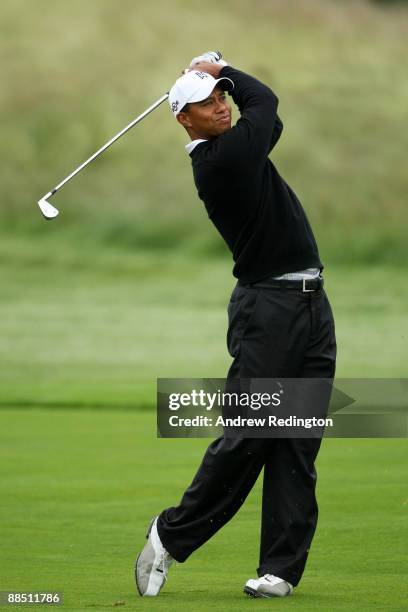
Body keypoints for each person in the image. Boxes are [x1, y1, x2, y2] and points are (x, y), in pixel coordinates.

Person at [135, 52, 336, 599]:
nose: (219, 106)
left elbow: (266, 118)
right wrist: (221, 65)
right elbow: (265, 103)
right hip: (267, 310)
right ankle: (169, 536)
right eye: (206, 102)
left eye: (221, 97)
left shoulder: (240, 147)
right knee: (250, 434)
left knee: (297, 441)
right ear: (185, 119)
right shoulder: (220, 160)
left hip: (310, 304)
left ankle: (279, 570)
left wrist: (218, 77)